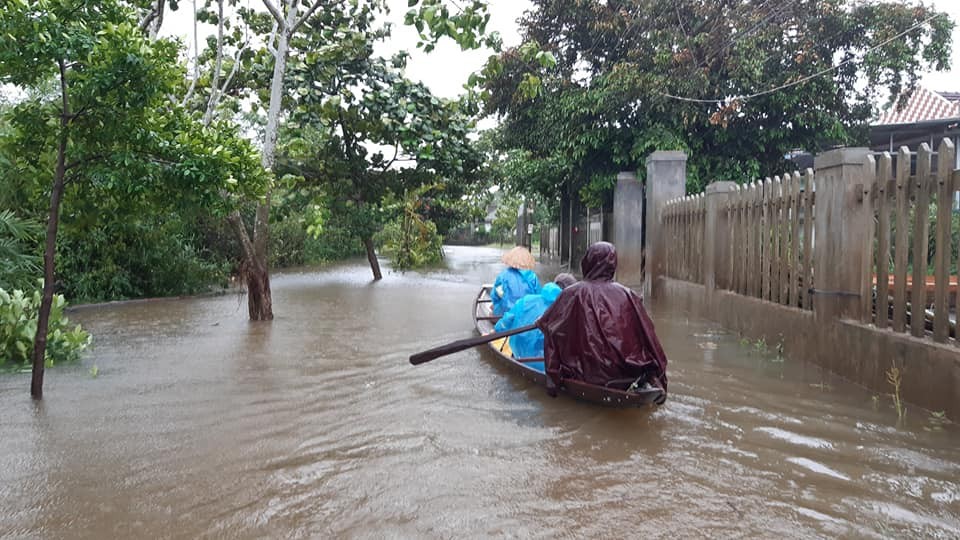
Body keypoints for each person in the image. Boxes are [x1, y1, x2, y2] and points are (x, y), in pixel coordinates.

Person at [536, 241, 668, 400]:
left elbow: (550, 332)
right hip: (626, 372)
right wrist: (661, 378)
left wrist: (553, 379)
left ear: (587, 261)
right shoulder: (628, 294)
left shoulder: (572, 293)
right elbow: (650, 338)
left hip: (585, 374)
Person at [494, 282, 562, 359]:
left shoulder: (526, 299)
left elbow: (508, 319)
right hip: (544, 362)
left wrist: (496, 330)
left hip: (517, 351)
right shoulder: (563, 310)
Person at [490, 246, 540, 316]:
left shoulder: (503, 276)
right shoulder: (532, 276)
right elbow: (538, 296)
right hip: (526, 314)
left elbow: (495, 295)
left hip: (507, 313)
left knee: (491, 312)